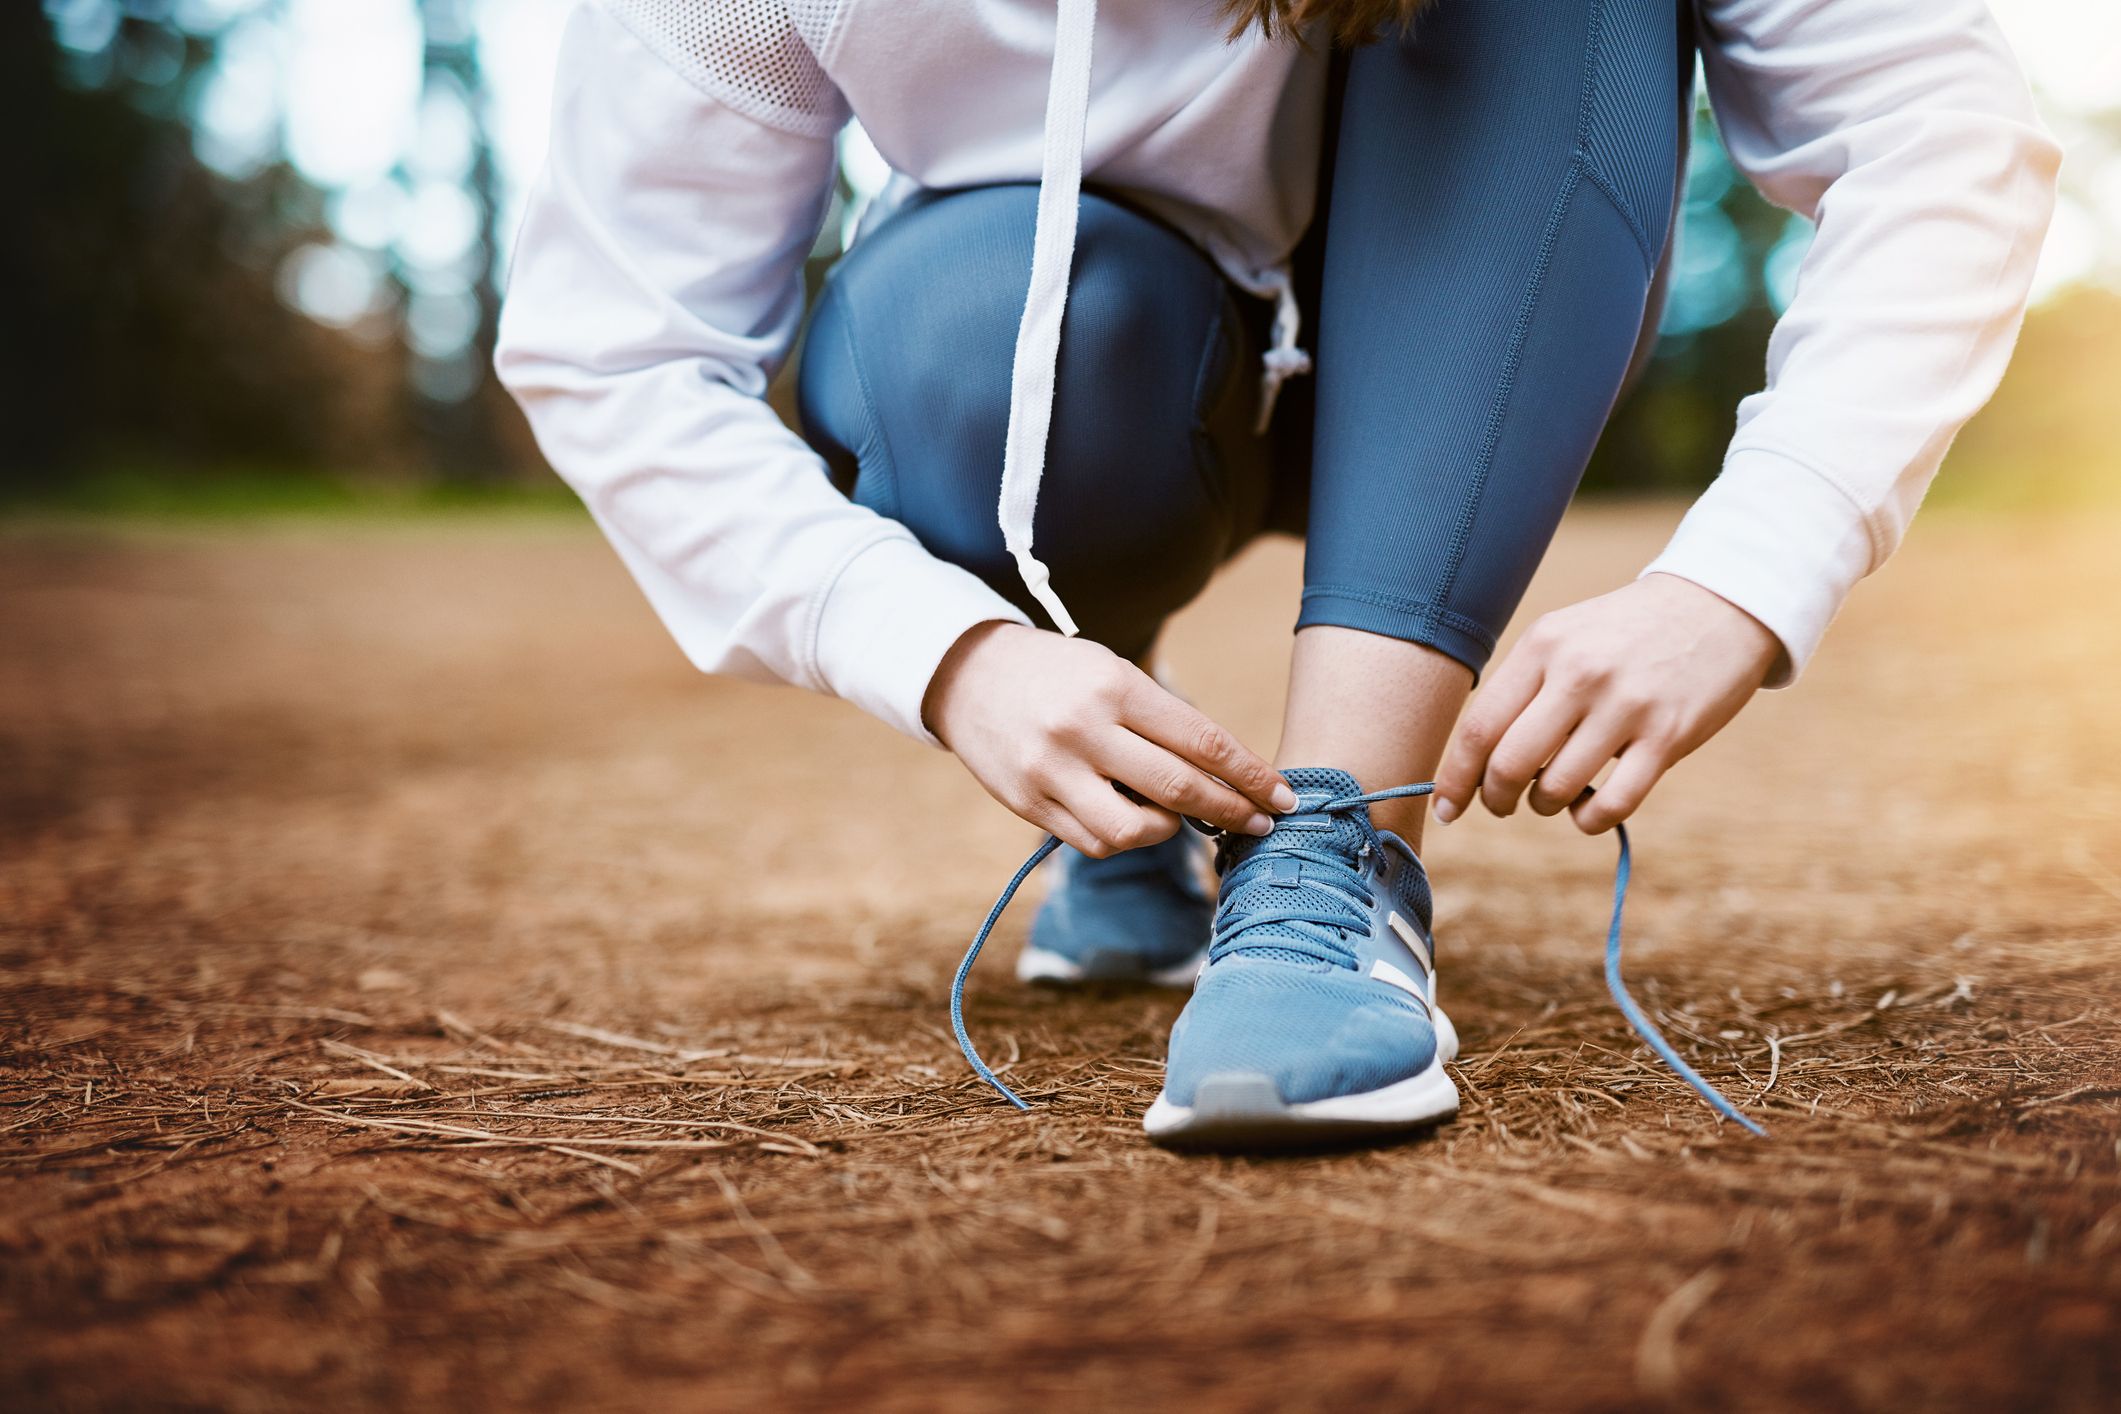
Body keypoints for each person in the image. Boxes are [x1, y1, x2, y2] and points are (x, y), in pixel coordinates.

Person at [497, 0, 2058, 1148]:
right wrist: (954, 652)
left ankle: (1333, 856)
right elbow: (620, 348)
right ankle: (1128, 794)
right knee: (959, 339)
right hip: (1122, 365)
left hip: (1500, 318)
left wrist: (1748, 564)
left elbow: (1936, 126)